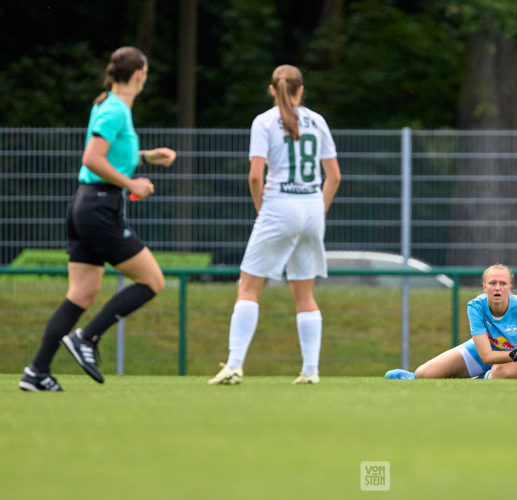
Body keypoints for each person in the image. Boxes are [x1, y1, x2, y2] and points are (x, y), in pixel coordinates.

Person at [19, 46, 177, 391]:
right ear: (139, 75)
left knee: (81, 294)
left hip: (84, 205)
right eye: (146, 74)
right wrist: (132, 183)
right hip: (100, 208)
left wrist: (147, 157)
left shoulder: (105, 104)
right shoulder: (116, 110)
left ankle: (36, 372)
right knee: (153, 281)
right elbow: (92, 157)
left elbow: (112, 153)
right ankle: (86, 338)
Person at [208, 64, 341, 386]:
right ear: (301, 89)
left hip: (280, 206)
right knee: (305, 294)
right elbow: (334, 176)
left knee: (248, 288)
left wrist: (261, 208)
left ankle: (235, 365)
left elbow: (256, 175)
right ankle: (310, 371)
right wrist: (318, 210)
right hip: (311, 207)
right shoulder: (318, 121)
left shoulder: (264, 121)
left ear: (272, 89)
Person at [384, 264, 517, 380]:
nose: (497, 288)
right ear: (484, 286)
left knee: (497, 374)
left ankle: (481, 378)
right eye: (492, 283)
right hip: (493, 352)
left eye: (502, 283)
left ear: (509, 287)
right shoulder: (475, 306)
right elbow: (486, 355)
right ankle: (412, 378)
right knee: (424, 374)